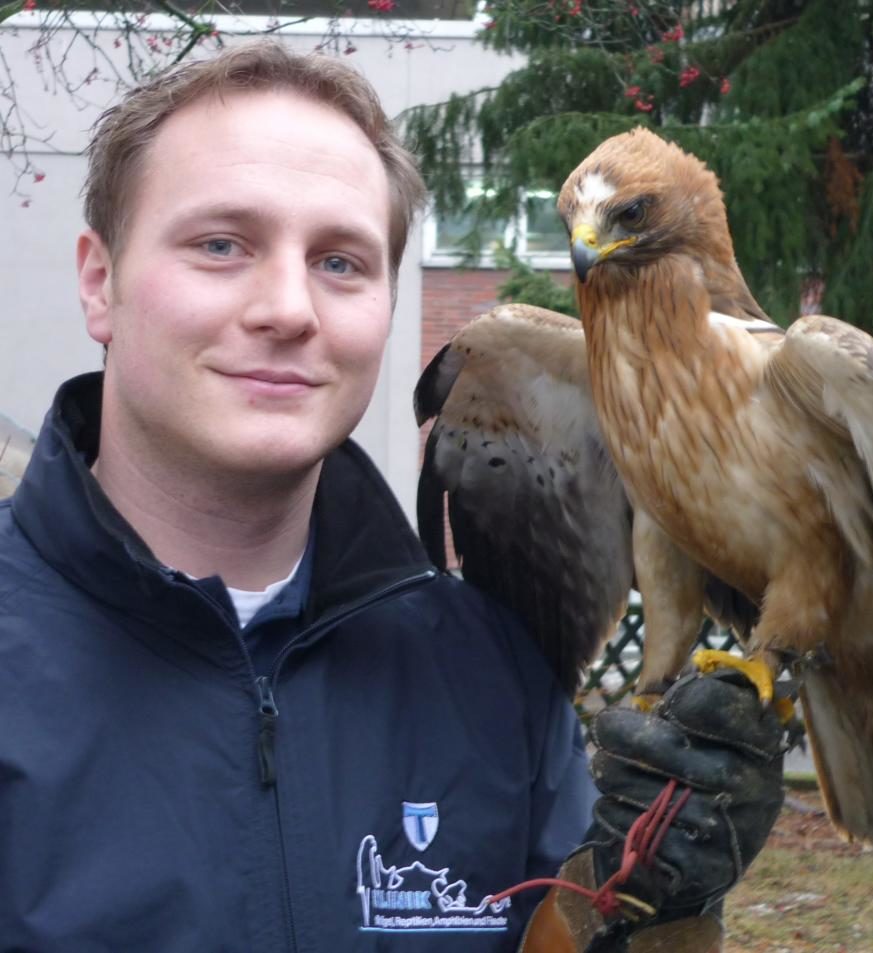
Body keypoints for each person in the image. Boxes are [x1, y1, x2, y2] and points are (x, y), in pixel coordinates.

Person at [0, 41, 784, 952]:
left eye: (340, 262)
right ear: (100, 282)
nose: (289, 308)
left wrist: (649, 908)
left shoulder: (492, 678)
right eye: (221, 245)